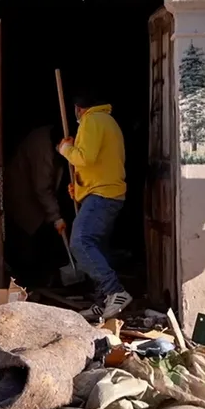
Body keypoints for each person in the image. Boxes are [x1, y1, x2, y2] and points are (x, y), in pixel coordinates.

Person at [58, 93, 130, 321]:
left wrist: (65, 149)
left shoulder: (92, 120)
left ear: (79, 109)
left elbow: (84, 158)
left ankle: (115, 291)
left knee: (80, 243)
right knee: (97, 247)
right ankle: (103, 302)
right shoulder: (107, 121)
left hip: (102, 195)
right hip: (104, 193)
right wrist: (79, 189)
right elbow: (98, 163)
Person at [4, 124, 67, 285]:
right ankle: (31, 281)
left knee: (38, 234)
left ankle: (39, 278)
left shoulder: (51, 141)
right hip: (23, 194)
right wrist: (56, 217)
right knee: (30, 236)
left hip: (34, 196)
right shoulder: (42, 148)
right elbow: (42, 187)